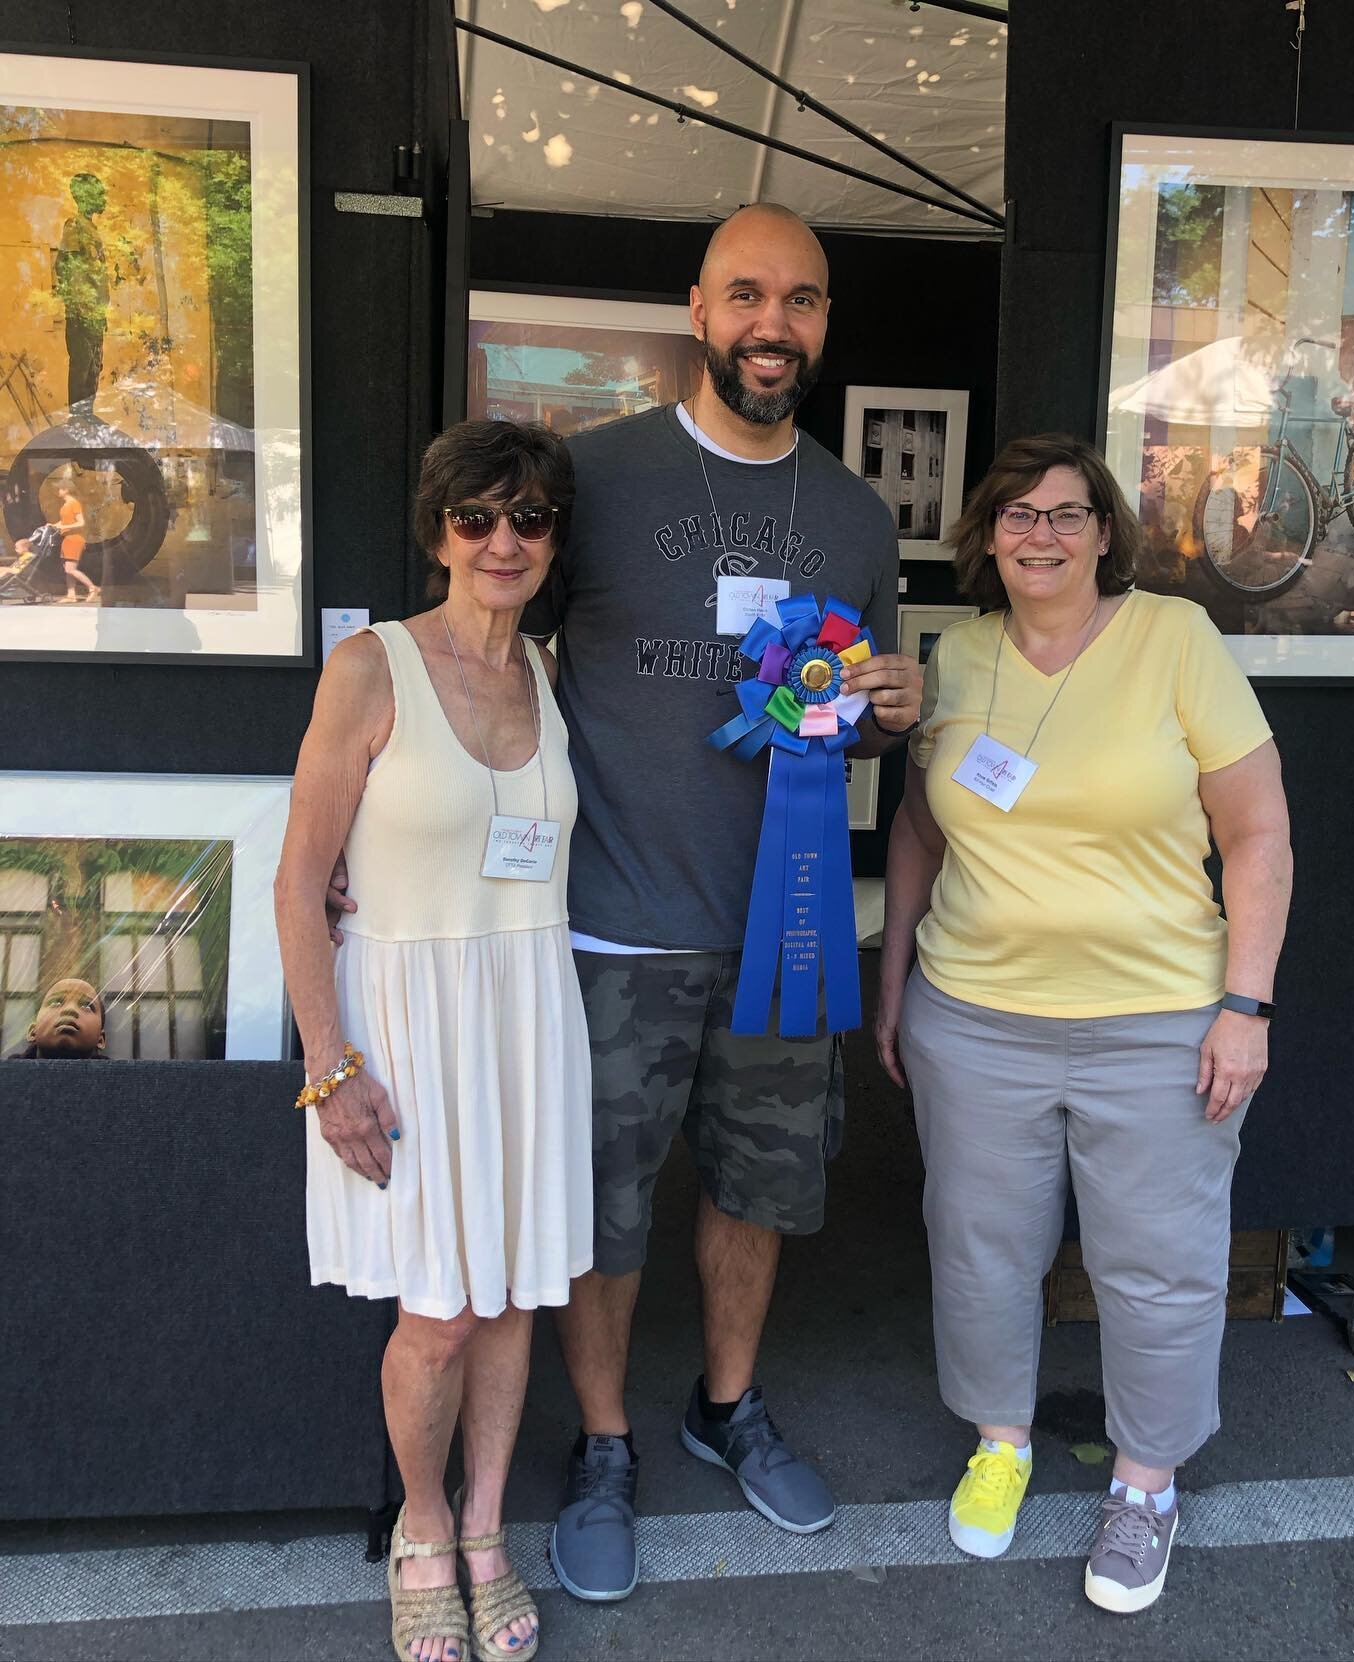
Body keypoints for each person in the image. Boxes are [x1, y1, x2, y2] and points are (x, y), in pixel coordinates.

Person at [329, 202, 923, 1603]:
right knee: (598, 1213)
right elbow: (477, 658)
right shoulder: (592, 481)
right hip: (605, 927)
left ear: (824, 324)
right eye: (748, 295)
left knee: (759, 1186)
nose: (774, 325)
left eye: (804, 301)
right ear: (699, 308)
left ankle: (728, 1401)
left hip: (782, 930)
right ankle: (603, 1442)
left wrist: (896, 706)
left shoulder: (851, 514)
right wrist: (373, 821)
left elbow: (858, 705)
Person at [877, 433, 1292, 1614]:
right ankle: (1002, 1444)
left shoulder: (1176, 639)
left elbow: (1258, 833)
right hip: (977, 1017)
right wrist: (895, 974)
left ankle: (1146, 1487)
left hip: (1161, 1019)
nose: (1042, 535)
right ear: (987, 537)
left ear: (1107, 530)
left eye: (1067, 514)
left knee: (1157, 1268)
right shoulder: (951, 657)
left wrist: (1245, 1005)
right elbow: (920, 829)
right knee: (980, 1247)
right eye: (1017, 516)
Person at [276, 419, 593, 1662]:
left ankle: (484, 1528)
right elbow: (303, 879)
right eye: (477, 518)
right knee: (440, 1315)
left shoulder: (553, 672)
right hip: (404, 1030)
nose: (503, 541)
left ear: (554, 538)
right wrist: (330, 1064)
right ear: (439, 531)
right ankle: (420, 1527)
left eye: (529, 519)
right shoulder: (371, 666)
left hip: (527, 1013)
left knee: (511, 1293)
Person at [53, 171, 109, 409]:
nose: (103, 197)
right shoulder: (75, 226)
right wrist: (81, 308)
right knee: (82, 367)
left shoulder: (92, 229)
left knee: (94, 368)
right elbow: (67, 268)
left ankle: (88, 421)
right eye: (98, 192)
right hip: (82, 314)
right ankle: (79, 423)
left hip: (95, 314)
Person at [7, 977, 107, 1058]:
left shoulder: (118, 1080)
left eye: (86, 1006)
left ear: (100, 1039)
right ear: (33, 1031)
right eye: (55, 1002)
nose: (70, 1009)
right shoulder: (6, 1077)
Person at [51, 482, 100, 604]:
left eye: (60, 489)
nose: (58, 491)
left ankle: (92, 588)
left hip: (74, 539)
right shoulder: (65, 505)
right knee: (67, 568)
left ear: (66, 490)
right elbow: (63, 521)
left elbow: (81, 522)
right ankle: (71, 595)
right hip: (67, 539)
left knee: (70, 569)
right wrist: (53, 525)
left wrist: (64, 526)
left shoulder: (74, 503)